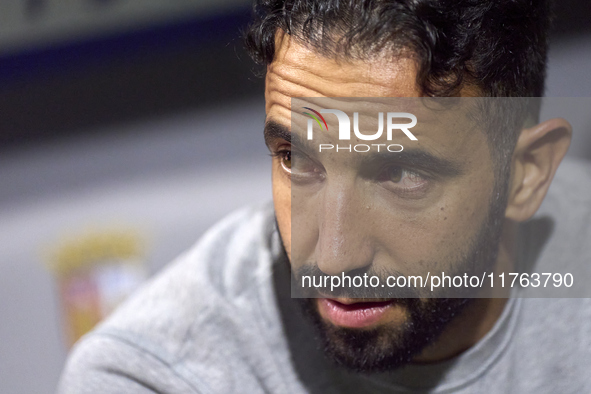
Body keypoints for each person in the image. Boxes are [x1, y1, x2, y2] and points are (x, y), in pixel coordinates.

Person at [58, 0, 591, 393]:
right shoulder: (149, 377)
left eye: (403, 175)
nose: (332, 258)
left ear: (525, 174)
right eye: (298, 158)